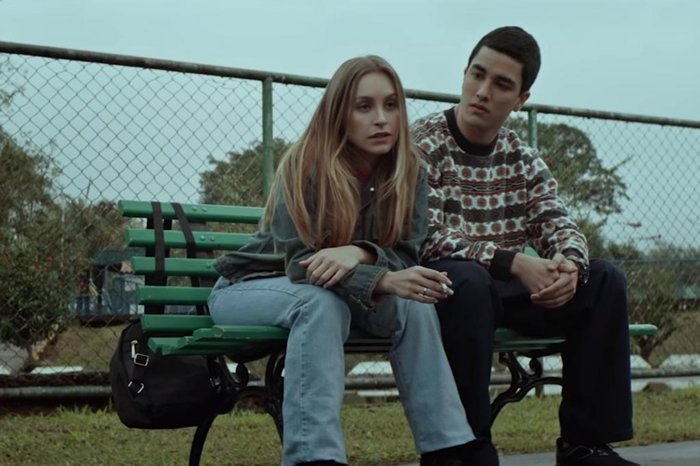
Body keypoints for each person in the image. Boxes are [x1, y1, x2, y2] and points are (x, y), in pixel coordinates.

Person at [208, 55, 478, 466]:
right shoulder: (306, 164)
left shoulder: (409, 171)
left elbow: (406, 253)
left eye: (391, 105)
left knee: (415, 306)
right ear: (340, 114)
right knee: (318, 303)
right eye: (364, 106)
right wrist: (381, 279)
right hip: (248, 289)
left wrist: (360, 252)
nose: (381, 119)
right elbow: (301, 264)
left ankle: (448, 450)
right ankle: (314, 458)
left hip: (334, 295)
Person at [411, 26, 638, 466]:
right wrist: (512, 262)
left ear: (520, 99)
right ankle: (463, 449)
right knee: (468, 281)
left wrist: (570, 265)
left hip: (505, 290)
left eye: (501, 84)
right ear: (464, 74)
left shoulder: (523, 157)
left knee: (604, 278)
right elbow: (423, 238)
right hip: (443, 290)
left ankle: (585, 446)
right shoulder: (422, 144)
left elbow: (557, 222)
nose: (482, 92)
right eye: (477, 75)